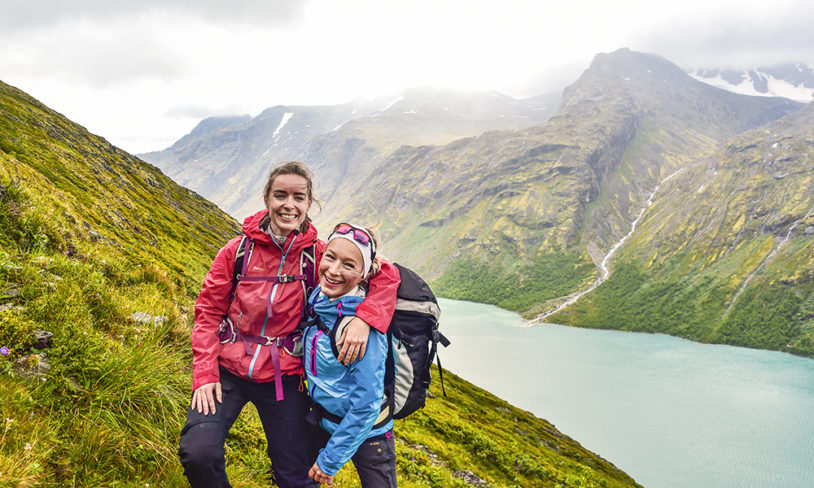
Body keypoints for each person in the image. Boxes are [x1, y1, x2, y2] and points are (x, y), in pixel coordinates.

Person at [178, 162, 400, 488]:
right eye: (280, 195)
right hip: (228, 370)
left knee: (296, 476)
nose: (289, 205)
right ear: (267, 198)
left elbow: (385, 273)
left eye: (299, 197)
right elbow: (208, 312)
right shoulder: (236, 252)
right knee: (199, 452)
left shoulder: (318, 254)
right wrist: (205, 373)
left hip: (284, 376)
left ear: (309, 204)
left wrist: (366, 319)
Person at [304, 223, 397, 487]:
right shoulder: (318, 299)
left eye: (348, 265)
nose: (333, 271)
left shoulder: (363, 331)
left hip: (370, 436)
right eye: (330, 258)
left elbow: (365, 407)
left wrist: (330, 461)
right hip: (323, 422)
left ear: (363, 274)